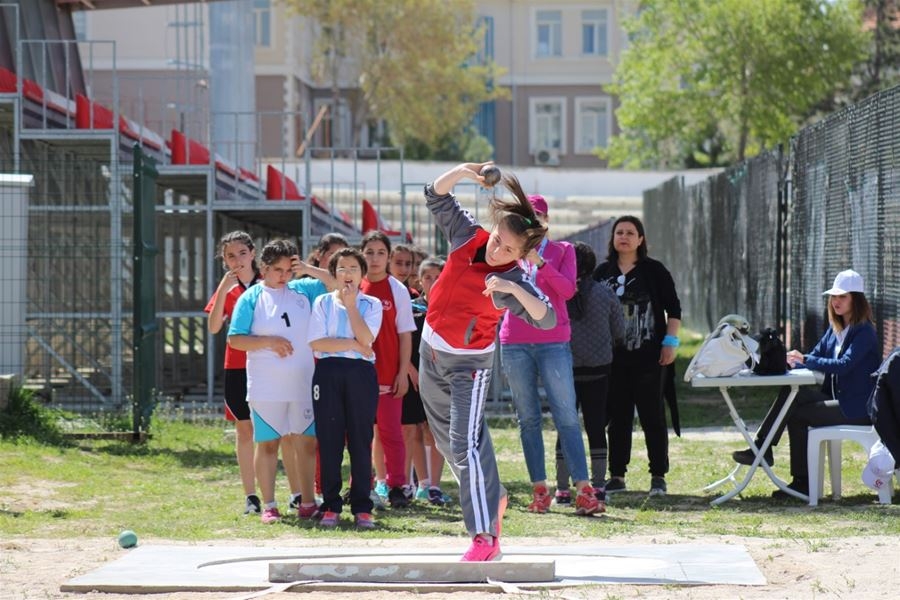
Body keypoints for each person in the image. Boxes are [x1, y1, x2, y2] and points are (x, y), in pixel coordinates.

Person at [418, 162, 558, 562]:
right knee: (450, 444)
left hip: (469, 367)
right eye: (498, 240)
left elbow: (545, 316)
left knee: (464, 444)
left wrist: (513, 285)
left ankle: (485, 537)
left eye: (509, 250)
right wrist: (463, 171)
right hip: (430, 352)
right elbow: (434, 194)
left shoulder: (512, 279)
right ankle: (492, 498)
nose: (497, 251)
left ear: (523, 254)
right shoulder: (468, 237)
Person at [731, 269, 882, 498]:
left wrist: (806, 359)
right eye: (834, 296)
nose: (836, 301)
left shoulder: (865, 332)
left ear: (856, 300)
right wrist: (789, 363)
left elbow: (843, 364)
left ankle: (797, 479)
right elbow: (813, 358)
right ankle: (764, 449)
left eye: (842, 297)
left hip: (857, 408)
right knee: (794, 395)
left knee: (798, 413)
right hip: (838, 400)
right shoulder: (836, 330)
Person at [499, 195, 603, 516]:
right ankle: (539, 489)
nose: (534, 224)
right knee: (528, 418)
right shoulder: (505, 253)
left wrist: (540, 263)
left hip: (554, 341)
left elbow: (568, 290)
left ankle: (584, 490)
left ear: (547, 221)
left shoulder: (563, 251)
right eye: (527, 218)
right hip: (514, 341)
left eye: (539, 217)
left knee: (567, 417)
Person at [227, 239, 331, 523]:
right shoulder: (251, 297)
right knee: (268, 444)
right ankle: (270, 504)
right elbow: (235, 339)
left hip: (302, 384)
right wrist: (269, 341)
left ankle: (308, 502)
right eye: (276, 270)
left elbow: (337, 286)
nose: (283, 276)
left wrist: (310, 269)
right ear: (263, 268)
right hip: (265, 386)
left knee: (307, 444)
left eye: (288, 269)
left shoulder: (306, 289)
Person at [594, 215, 682, 496]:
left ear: (640, 239)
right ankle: (617, 475)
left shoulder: (654, 271)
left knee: (652, 416)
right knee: (618, 418)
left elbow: (674, 309)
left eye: (631, 232)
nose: (624, 237)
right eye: (619, 232)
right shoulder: (602, 272)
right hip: (613, 360)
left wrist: (670, 342)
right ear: (613, 239)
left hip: (650, 358)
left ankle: (658, 476)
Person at [308, 247, 383, 528]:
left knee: (361, 440)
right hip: (328, 372)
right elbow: (317, 343)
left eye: (353, 268)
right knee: (329, 440)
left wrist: (352, 307)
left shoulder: (371, 304)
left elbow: (368, 338)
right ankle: (331, 504)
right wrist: (352, 344)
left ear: (363, 274)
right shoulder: (323, 303)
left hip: (360, 374)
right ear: (333, 274)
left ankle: (362, 506)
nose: (347, 274)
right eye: (342, 268)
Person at [554, 241, 625, 504]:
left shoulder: (559, 293)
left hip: (564, 369)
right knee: (596, 427)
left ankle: (562, 488)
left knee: (565, 427)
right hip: (598, 370)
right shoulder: (605, 293)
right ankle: (597, 486)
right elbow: (620, 331)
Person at [204, 231, 262, 515]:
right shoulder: (226, 287)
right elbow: (214, 327)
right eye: (230, 255)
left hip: (267, 365)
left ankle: (289, 494)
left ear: (252, 253)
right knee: (244, 428)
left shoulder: (268, 282)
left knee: (277, 431)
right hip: (236, 366)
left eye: (242, 253)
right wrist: (222, 291)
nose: (237, 260)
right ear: (223, 260)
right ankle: (250, 495)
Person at [360, 231, 417, 508]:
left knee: (391, 433)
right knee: (359, 435)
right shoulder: (354, 286)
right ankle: (362, 486)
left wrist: (402, 372)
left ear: (388, 256)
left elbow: (405, 334)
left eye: (380, 252)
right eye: (369, 252)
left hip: (388, 375)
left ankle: (397, 486)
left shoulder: (397, 289)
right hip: (357, 375)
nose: (374, 258)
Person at [404, 257, 450, 504]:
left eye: (438, 276)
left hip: (439, 380)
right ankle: (421, 483)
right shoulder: (411, 309)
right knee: (413, 431)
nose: (433, 281)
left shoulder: (451, 308)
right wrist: (410, 369)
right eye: (428, 277)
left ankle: (434, 486)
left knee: (434, 433)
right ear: (419, 281)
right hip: (412, 377)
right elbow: (402, 343)